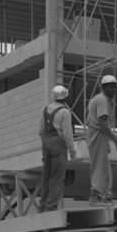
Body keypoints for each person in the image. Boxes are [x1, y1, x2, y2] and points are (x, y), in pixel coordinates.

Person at [85, 74, 117, 205]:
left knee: (103, 167)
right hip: (98, 134)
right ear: (104, 88)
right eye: (111, 87)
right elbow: (102, 124)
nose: (114, 90)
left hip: (96, 134)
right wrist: (116, 141)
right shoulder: (102, 100)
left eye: (115, 87)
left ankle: (104, 194)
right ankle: (97, 194)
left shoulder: (97, 99)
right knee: (100, 166)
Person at [38, 84, 75, 212]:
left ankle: (42, 206)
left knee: (46, 177)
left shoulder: (44, 109)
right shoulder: (64, 112)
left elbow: (41, 131)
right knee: (57, 178)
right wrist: (72, 150)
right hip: (58, 146)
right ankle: (50, 207)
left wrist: (44, 148)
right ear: (65, 97)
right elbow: (67, 134)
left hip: (46, 145)